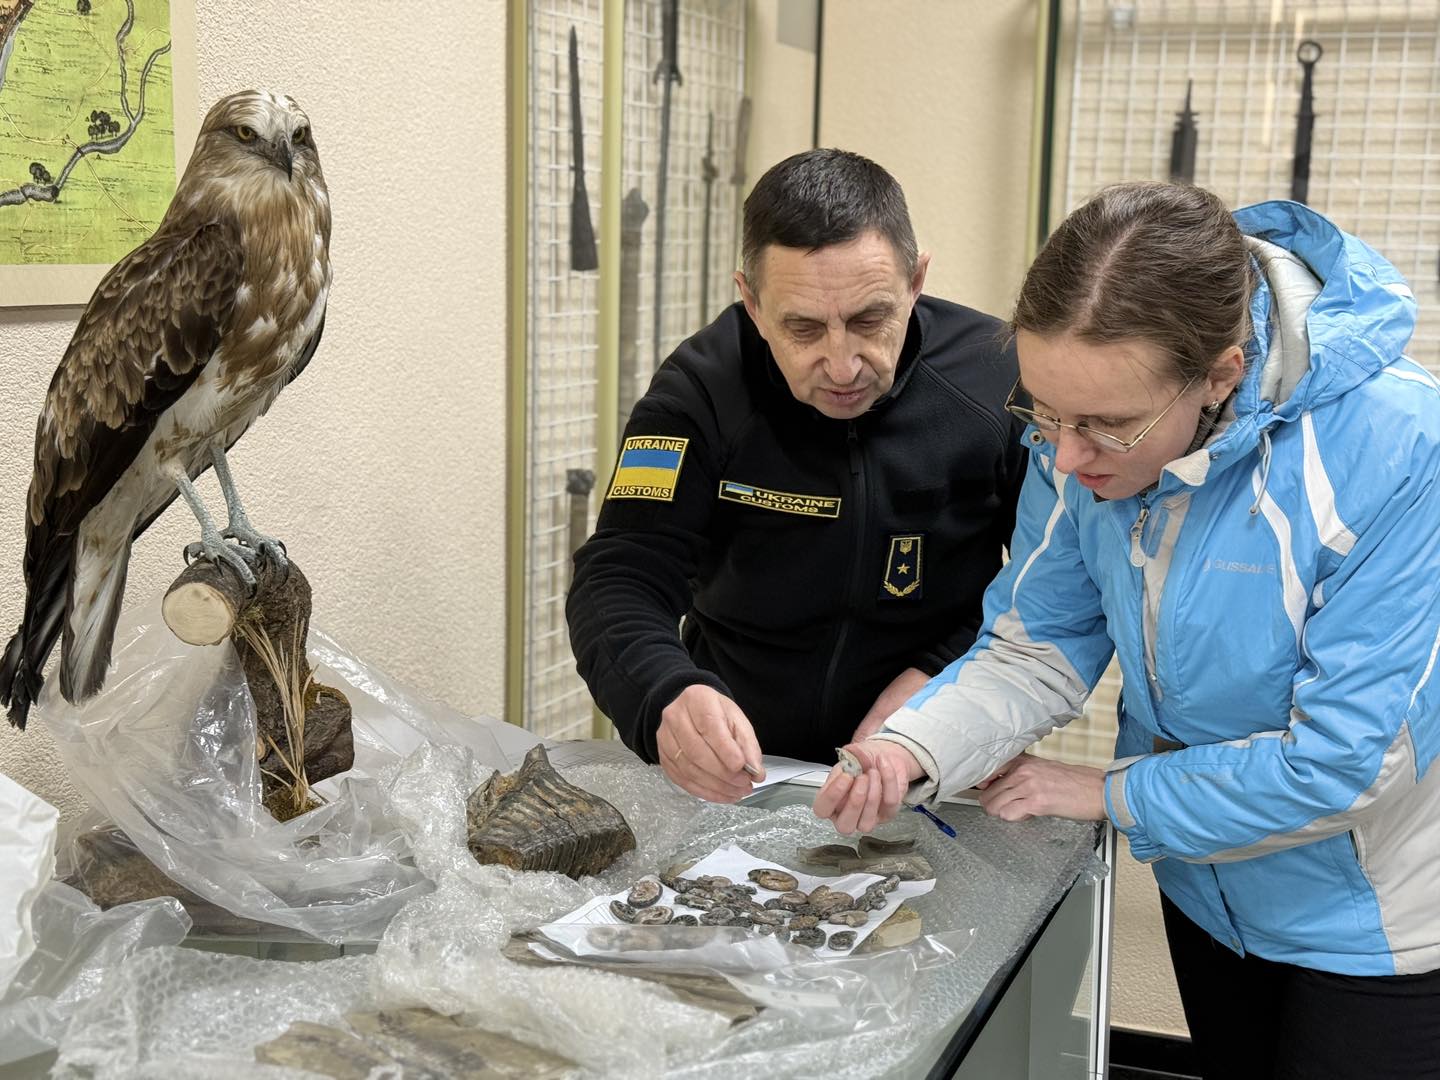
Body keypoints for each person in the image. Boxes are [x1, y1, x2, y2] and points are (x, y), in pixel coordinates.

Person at [814, 181, 1440, 1079]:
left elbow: (1343, 764)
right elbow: (1037, 646)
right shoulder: (1079, 445)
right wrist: (911, 749)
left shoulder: (1402, 449)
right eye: (1046, 414)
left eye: (1105, 426)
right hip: (1207, 883)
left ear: (1220, 374)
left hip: (1378, 922)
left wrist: (1105, 793)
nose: (1065, 457)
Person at [567, 149, 1026, 805]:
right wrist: (666, 690)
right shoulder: (696, 394)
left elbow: (1051, 584)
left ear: (917, 280)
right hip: (743, 773)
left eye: (871, 319)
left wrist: (944, 679)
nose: (842, 366)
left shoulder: (999, 380)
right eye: (803, 328)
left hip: (942, 757)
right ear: (752, 303)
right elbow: (620, 574)